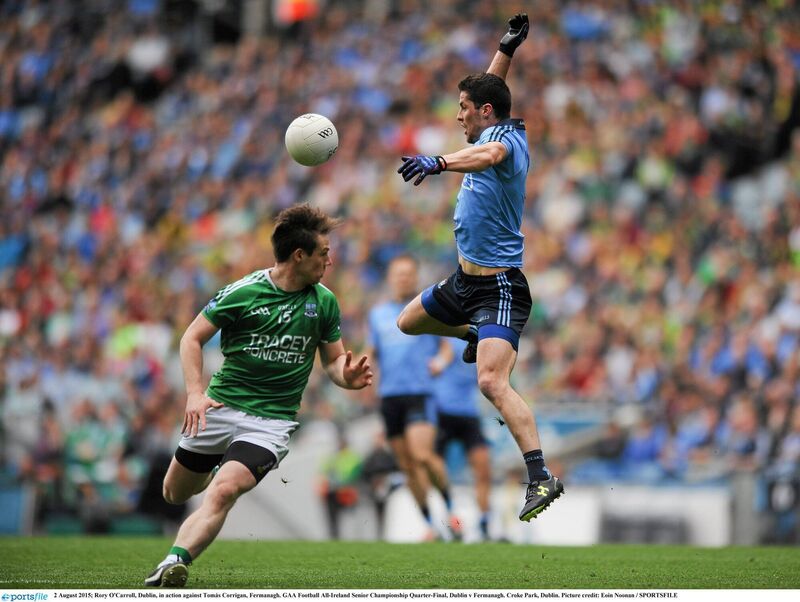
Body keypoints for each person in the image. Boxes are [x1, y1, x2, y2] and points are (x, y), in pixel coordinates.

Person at [144, 204, 373, 587]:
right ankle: (218, 462)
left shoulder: (325, 302)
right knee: (173, 492)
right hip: (219, 407)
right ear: (299, 255)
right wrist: (195, 393)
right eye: (324, 254)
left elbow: (334, 363)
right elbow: (191, 338)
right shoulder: (243, 293)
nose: (329, 262)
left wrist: (346, 377)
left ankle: (173, 561)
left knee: (225, 490)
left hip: (270, 421)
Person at [395, 13, 564, 522]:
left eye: (464, 109)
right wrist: (504, 50)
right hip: (464, 283)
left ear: (485, 112)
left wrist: (439, 162)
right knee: (408, 322)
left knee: (491, 382)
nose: (458, 117)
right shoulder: (495, 117)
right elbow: (492, 94)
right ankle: (474, 331)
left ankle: (540, 476)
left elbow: (487, 149)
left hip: (501, 288)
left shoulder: (506, 143)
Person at [365, 254, 461, 540]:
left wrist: (441, 363)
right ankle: (431, 525)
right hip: (390, 397)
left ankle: (452, 512)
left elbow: (446, 347)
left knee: (422, 456)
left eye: (408, 274)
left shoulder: (427, 309)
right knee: (407, 466)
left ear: (415, 277)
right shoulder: (378, 314)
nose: (403, 278)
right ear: (390, 278)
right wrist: (360, 369)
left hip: (420, 393)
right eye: (398, 274)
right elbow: (372, 351)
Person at [432, 338, 493, 541]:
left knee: (483, 469)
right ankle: (451, 519)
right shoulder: (447, 339)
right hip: (443, 411)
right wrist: (439, 363)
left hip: (469, 413)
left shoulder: (484, 341)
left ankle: (485, 523)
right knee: (436, 468)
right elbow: (443, 357)